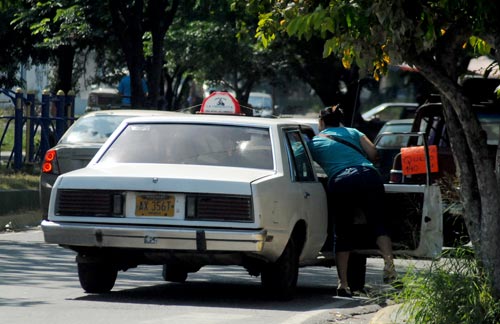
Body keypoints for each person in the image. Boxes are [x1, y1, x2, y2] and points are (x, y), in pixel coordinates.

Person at [306, 105, 397, 297]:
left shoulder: (314, 143)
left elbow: (301, 162)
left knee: (343, 231)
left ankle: (343, 284)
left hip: (342, 181)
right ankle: (390, 268)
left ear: (321, 122)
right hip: (369, 176)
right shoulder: (354, 132)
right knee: (379, 224)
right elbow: (374, 155)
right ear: (339, 120)